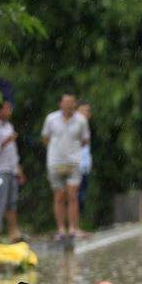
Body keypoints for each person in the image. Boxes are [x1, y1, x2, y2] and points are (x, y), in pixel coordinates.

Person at [41, 94, 90, 240]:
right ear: (60, 104)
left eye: (71, 102)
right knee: (59, 196)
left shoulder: (81, 120)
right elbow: (45, 138)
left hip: (73, 162)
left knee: (73, 195)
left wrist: (71, 151)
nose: (68, 105)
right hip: (55, 162)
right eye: (66, 102)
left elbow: (85, 140)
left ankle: (73, 228)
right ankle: (61, 229)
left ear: (75, 104)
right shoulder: (51, 119)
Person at [0, 100, 24, 243]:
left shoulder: (9, 126)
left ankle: (13, 231)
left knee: (11, 201)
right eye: (7, 108)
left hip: (11, 168)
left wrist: (18, 168)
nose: (9, 111)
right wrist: (5, 141)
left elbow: (13, 151)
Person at [76, 101, 93, 214]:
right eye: (82, 110)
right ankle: (71, 226)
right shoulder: (74, 127)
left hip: (85, 166)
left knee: (81, 197)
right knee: (76, 197)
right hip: (75, 166)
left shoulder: (86, 128)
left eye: (87, 111)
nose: (85, 113)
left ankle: (75, 226)